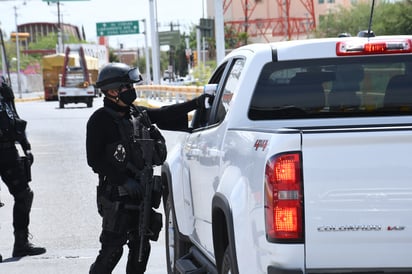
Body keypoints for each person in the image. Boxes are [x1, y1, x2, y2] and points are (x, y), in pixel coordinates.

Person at [86, 62, 212, 274]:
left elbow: (164, 114)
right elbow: (95, 160)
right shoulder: (99, 121)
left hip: (142, 194)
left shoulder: (135, 113)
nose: (131, 91)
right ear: (112, 91)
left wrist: (197, 103)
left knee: (140, 248)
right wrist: (123, 180)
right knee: (111, 251)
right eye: (127, 87)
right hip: (117, 196)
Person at [0, 76, 46, 258]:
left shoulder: (3, 86)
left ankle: (21, 243)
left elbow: (15, 116)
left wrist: (25, 145)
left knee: (24, 195)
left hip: (8, 150)